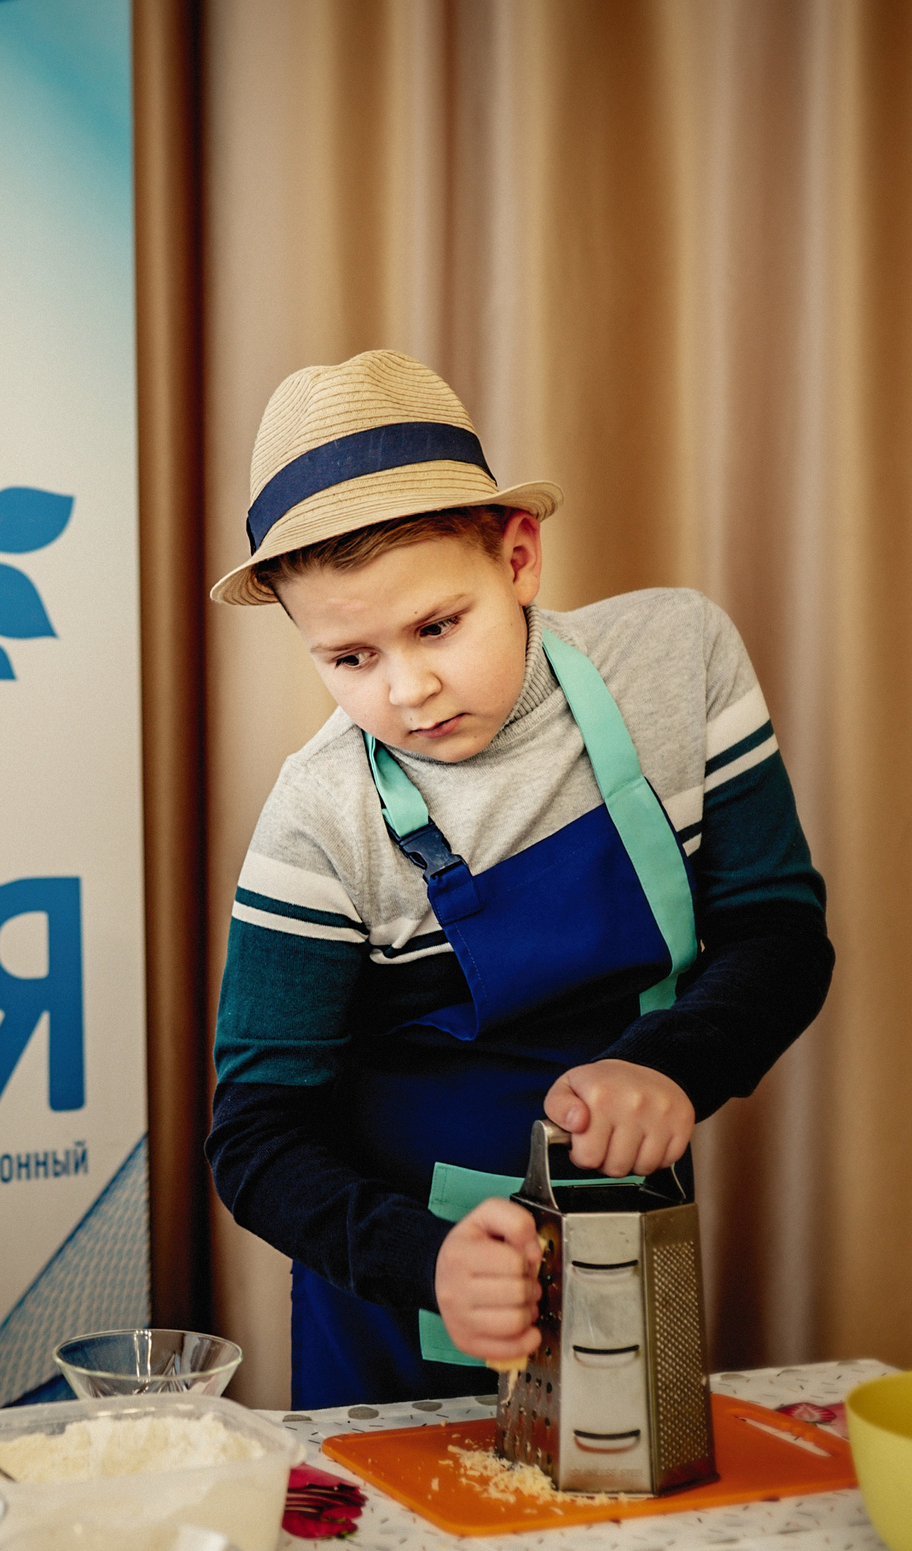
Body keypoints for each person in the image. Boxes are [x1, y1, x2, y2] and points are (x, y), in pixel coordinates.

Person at [206, 351, 832, 1409]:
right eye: (347, 658)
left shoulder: (676, 663)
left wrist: (672, 1065)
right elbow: (256, 1137)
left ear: (519, 558)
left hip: (618, 1235)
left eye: (437, 627)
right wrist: (428, 1261)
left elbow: (777, 930)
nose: (408, 691)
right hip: (397, 1297)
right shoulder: (317, 819)